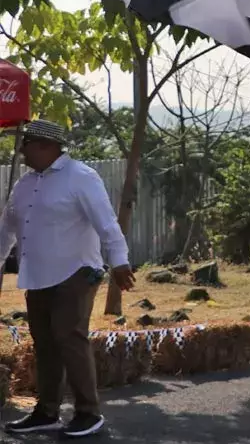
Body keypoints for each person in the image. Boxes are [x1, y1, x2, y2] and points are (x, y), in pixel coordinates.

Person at [0, 120, 134, 438]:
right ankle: (46, 412)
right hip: (38, 276)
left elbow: (106, 221)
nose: (21, 150)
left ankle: (89, 413)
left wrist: (119, 261)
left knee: (68, 337)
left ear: (46, 146)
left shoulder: (81, 177)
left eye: (26, 143)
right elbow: (7, 228)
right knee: (45, 344)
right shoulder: (25, 183)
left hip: (76, 272)